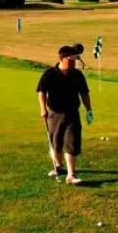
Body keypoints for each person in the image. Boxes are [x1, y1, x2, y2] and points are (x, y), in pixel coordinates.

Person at [36, 44, 94, 185]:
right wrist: (43, 109)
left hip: (72, 113)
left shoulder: (77, 75)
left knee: (71, 142)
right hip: (54, 114)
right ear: (61, 58)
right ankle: (58, 166)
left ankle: (71, 175)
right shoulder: (49, 74)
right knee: (56, 143)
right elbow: (42, 92)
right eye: (70, 60)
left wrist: (89, 110)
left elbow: (84, 93)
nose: (73, 63)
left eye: (74, 60)